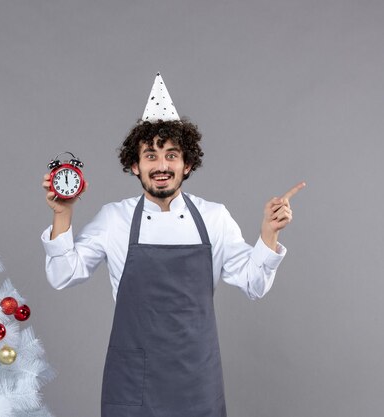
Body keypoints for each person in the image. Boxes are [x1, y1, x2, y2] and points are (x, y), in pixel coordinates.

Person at [40, 73, 304, 417]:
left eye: (171, 155)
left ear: (187, 164)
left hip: (197, 380)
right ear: (134, 165)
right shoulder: (114, 219)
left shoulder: (214, 217)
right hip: (132, 378)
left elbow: (254, 284)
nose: (161, 165)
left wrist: (269, 233)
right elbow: (63, 275)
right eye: (150, 155)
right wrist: (63, 213)